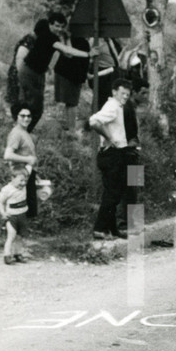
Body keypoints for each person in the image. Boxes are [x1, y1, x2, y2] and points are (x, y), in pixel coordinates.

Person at [17, 11, 97, 130]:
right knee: (35, 106)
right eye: (56, 26)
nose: (59, 29)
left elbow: (68, 54)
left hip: (37, 73)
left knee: (35, 106)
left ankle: (24, 130)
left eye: (61, 26)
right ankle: (23, 131)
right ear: (50, 24)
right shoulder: (48, 36)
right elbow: (67, 51)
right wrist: (88, 54)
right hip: (29, 71)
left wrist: (67, 37)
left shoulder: (55, 37)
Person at [87, 78, 132, 240]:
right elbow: (93, 121)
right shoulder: (113, 106)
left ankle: (112, 229)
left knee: (115, 192)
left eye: (127, 94)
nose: (125, 96)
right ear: (114, 92)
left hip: (116, 153)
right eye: (122, 93)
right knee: (112, 193)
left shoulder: (117, 106)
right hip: (112, 153)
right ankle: (99, 228)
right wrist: (108, 137)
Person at [119, 80, 147, 234]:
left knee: (134, 187)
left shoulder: (128, 106)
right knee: (131, 188)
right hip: (130, 150)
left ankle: (131, 222)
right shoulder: (125, 106)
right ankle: (128, 223)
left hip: (133, 148)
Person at [3, 104, 39, 218]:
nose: (26, 119)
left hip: (28, 173)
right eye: (22, 116)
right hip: (19, 175)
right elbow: (7, 155)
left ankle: (27, 229)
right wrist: (27, 159)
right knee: (20, 205)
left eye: (28, 116)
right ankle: (17, 230)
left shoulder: (25, 132)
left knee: (30, 202)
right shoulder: (16, 133)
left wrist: (34, 173)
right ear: (16, 117)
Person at [53, 35, 90, 133]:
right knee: (72, 103)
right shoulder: (80, 41)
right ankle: (72, 130)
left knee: (69, 103)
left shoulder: (73, 39)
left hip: (66, 73)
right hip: (71, 75)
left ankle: (69, 128)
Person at [0, 166, 31, 265]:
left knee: (20, 237)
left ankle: (17, 254)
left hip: (22, 216)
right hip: (12, 217)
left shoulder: (24, 187)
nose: (23, 183)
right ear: (12, 178)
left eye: (25, 180)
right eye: (21, 180)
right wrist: (3, 212)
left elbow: (36, 182)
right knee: (11, 236)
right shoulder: (7, 189)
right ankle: (7, 255)